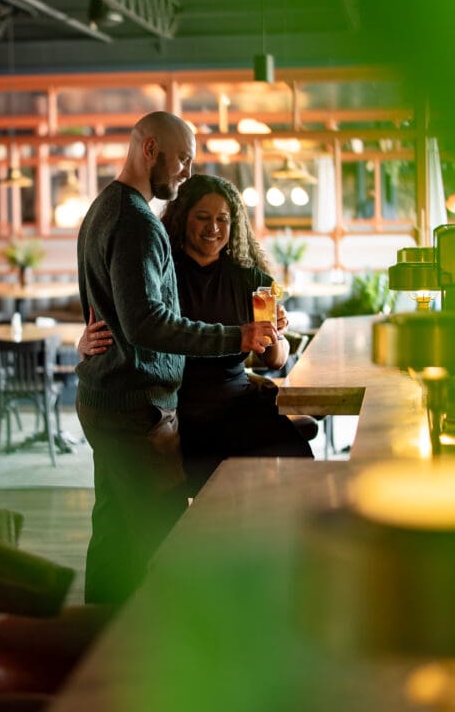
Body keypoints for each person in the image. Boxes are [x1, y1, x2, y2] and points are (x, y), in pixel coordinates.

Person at [76, 112, 278, 606]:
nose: (187, 171)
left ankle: (96, 641)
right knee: (168, 539)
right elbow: (146, 322)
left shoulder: (107, 206)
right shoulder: (136, 222)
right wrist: (238, 335)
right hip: (134, 408)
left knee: (115, 535)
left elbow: (109, 309)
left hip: (110, 398)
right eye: (183, 158)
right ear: (150, 150)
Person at [80, 173, 312, 497]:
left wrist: (274, 337)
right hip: (177, 409)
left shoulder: (252, 280)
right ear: (181, 218)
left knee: (298, 462)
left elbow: (274, 360)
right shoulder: (160, 272)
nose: (213, 228)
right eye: (202, 217)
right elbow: (132, 322)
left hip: (237, 402)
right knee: (211, 487)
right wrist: (87, 343)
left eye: (222, 219)